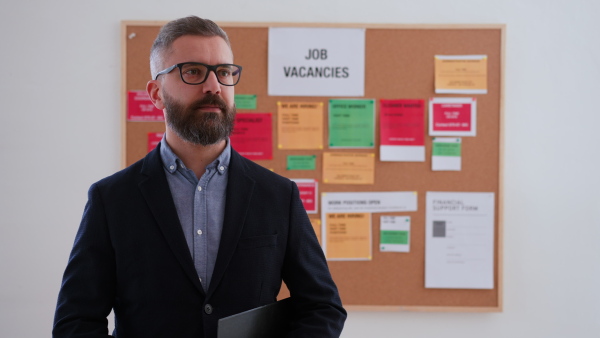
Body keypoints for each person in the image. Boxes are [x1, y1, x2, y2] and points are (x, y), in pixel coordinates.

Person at [53, 16, 346, 338]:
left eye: (223, 72)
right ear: (156, 93)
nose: (213, 86)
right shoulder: (112, 199)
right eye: (193, 71)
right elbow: (76, 321)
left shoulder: (277, 194)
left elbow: (322, 306)